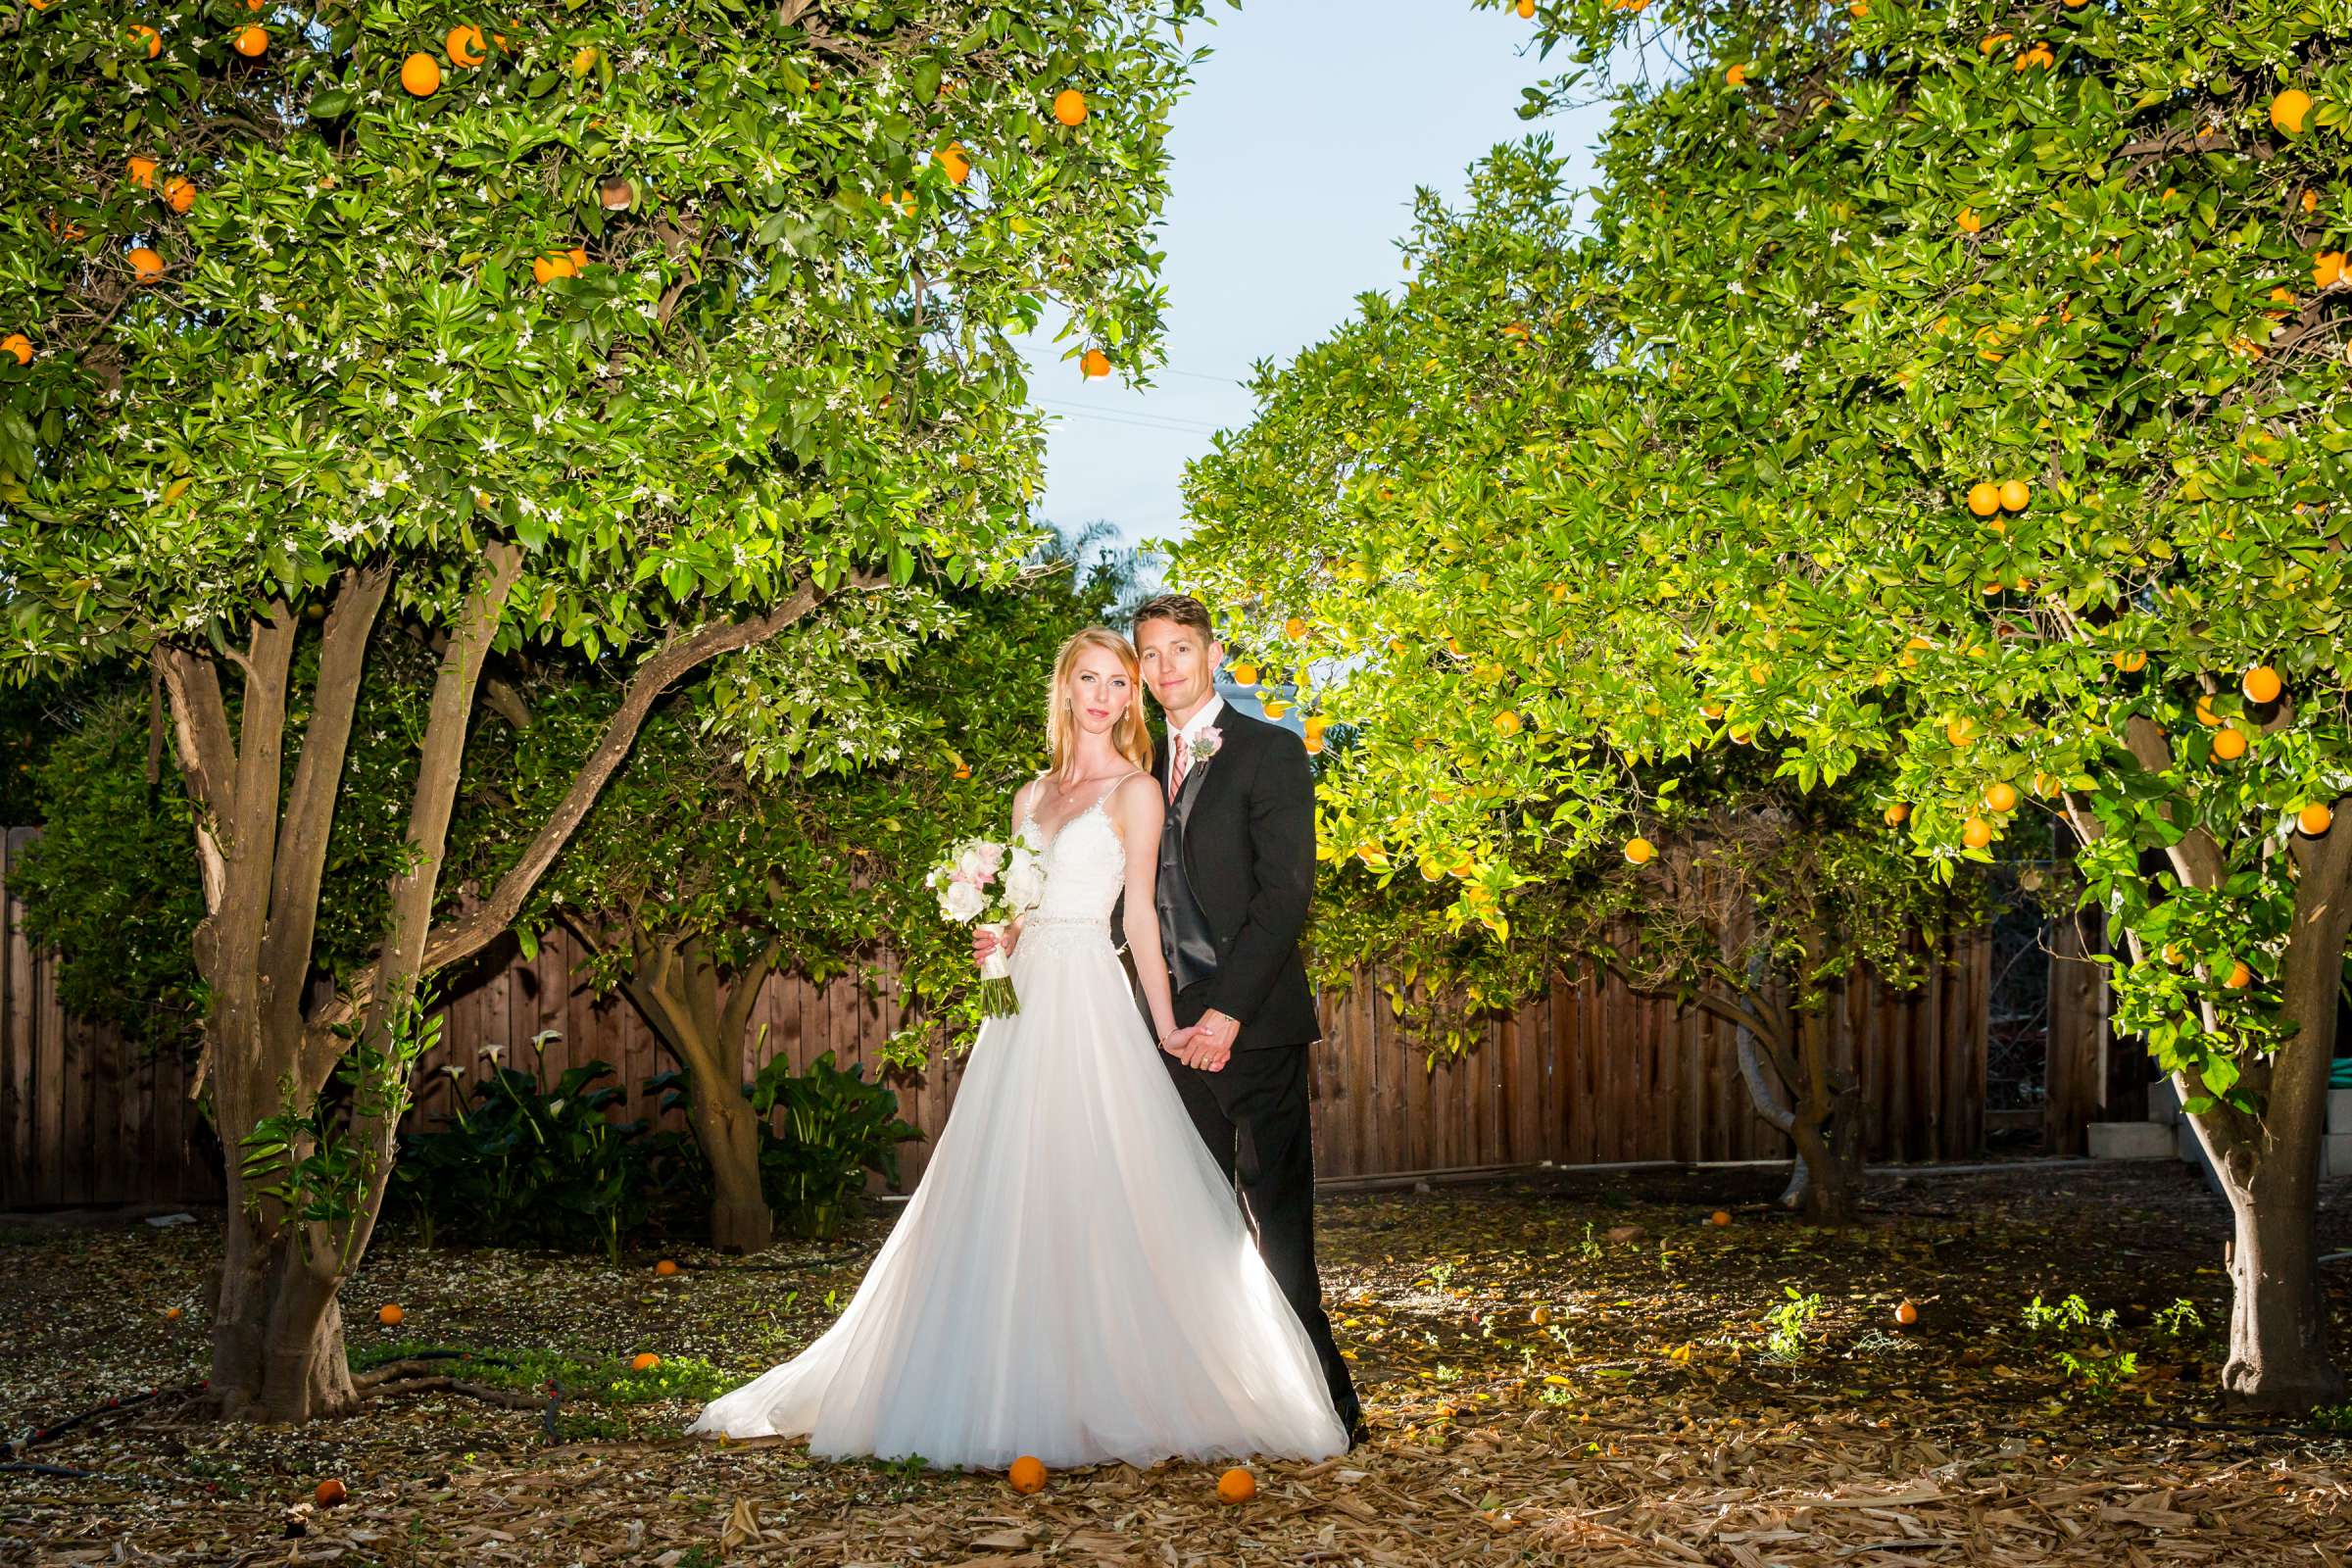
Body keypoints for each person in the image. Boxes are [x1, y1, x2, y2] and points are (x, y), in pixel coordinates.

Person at [686, 627, 1347, 1470]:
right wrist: (997, 936)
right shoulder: (1031, 793)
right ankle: (1002, 1371)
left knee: (1098, 1183)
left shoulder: (1137, 791)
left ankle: (1116, 1381)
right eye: (1090, 679)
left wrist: (1168, 1025)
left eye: (1118, 681)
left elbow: (1139, 918)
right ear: (1065, 690)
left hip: (1091, 1002)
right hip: (1021, 1005)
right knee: (1007, 1182)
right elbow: (1025, 904)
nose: (1106, 695)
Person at [1127, 593, 1364, 1446]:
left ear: (1214, 652)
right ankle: (1214, 1410)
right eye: (1149, 655)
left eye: (1179, 650)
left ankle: (1327, 1415)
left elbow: (1285, 895)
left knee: (1278, 1233)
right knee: (1190, 1230)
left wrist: (1227, 1011)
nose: (1165, 670)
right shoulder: (1136, 766)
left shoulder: (1270, 751)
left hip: (1253, 1028)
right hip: (1162, 1033)